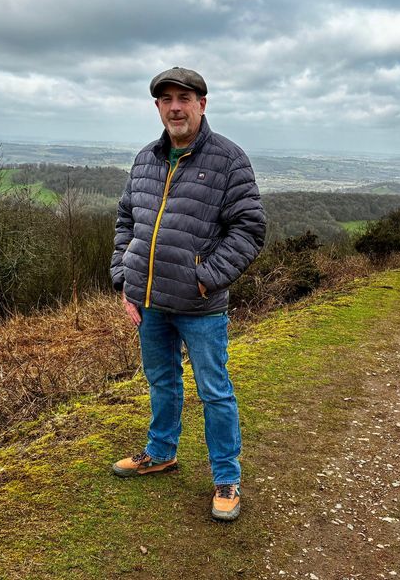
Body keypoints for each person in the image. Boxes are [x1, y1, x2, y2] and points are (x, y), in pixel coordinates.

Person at [109, 67, 266, 521]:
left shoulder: (228, 159)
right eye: (166, 99)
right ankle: (160, 453)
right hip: (149, 303)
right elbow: (126, 221)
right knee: (162, 382)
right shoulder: (145, 159)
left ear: (203, 103)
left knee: (214, 391)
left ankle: (226, 478)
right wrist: (125, 278)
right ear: (157, 107)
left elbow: (250, 228)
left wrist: (208, 276)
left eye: (185, 97)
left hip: (201, 306)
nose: (175, 106)